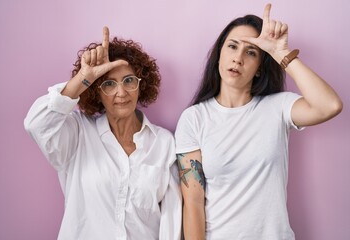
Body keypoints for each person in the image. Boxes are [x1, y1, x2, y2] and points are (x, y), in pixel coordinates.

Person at [175, 4, 342, 240]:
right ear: (219, 54)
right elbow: (192, 203)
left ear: (259, 69)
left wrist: (280, 53)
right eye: (232, 46)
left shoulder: (279, 107)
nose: (238, 58)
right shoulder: (194, 118)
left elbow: (330, 105)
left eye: (251, 52)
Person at [24, 26, 181, 240]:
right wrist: (83, 78)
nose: (121, 92)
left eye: (129, 80)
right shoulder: (77, 132)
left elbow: (170, 222)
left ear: (141, 85)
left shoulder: (164, 143)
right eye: (108, 84)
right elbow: (36, 124)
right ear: (97, 92)